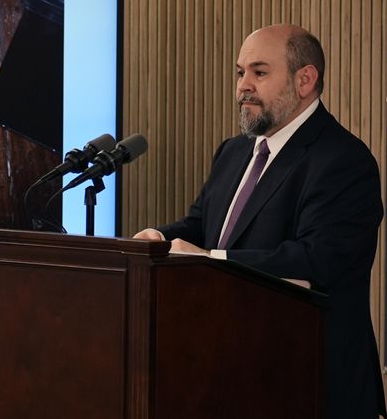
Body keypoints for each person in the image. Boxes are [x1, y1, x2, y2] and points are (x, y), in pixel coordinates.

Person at [133, 24, 385, 418]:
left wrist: (206, 261)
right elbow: (201, 227)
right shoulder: (234, 152)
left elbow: (317, 261)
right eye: (240, 72)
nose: (242, 87)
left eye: (259, 72)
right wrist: (158, 239)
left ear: (305, 80)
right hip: (229, 375)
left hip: (310, 385)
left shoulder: (343, 161)